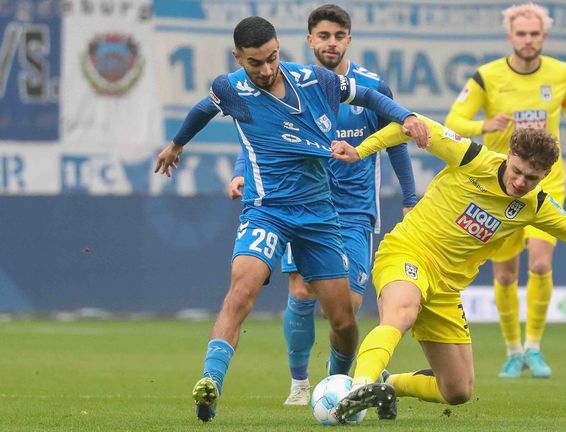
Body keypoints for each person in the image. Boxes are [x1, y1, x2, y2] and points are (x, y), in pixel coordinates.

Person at [153, 16, 429, 422]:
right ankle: (211, 381)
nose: (264, 70)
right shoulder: (230, 88)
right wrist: (176, 144)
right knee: (241, 291)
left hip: (320, 216)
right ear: (238, 58)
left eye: (271, 59)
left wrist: (405, 116)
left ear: (280, 47)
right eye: (254, 63)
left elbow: (371, 98)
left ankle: (338, 388)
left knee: (343, 319)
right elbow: (202, 109)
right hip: (266, 211)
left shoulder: (317, 80)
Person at [329, 115, 566, 423]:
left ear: (546, 175)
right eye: (517, 171)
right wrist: (360, 151)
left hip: (446, 288)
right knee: (401, 313)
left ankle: (388, 384)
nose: (521, 182)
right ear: (509, 155)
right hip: (408, 252)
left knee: (458, 390)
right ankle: (357, 386)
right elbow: (409, 125)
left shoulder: (536, 206)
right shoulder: (471, 156)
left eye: (532, 178)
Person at [228, 4, 418, 406]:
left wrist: (410, 197)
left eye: (338, 36)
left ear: (349, 40)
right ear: (309, 40)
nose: (331, 43)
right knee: (300, 290)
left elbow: (396, 138)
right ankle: (300, 386)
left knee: (346, 304)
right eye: (323, 36)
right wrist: (240, 170)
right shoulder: (295, 84)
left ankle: (340, 383)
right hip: (303, 202)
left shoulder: (370, 87)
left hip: (352, 211)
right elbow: (261, 138)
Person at [445, 2, 566, 378]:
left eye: (535, 34)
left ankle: (534, 347)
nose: (528, 40)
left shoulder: (562, 72)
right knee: (506, 275)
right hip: (502, 186)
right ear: (510, 36)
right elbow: (453, 120)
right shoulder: (487, 76)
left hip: (547, 181)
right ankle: (513, 350)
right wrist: (485, 125)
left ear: (544, 36)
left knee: (541, 263)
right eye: (521, 34)